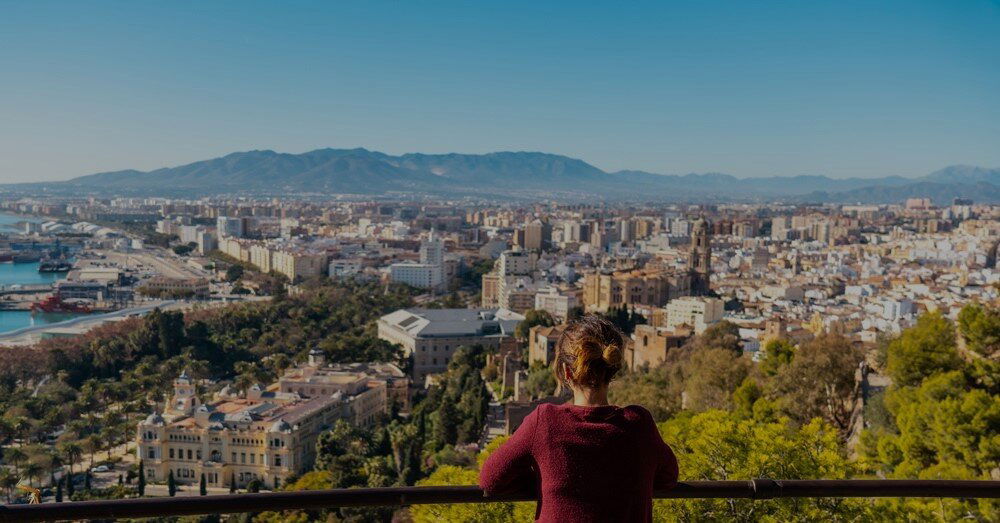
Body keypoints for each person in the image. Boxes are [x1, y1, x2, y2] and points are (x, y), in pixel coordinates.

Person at [479, 314, 679, 522]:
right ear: (613, 368)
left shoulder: (546, 421)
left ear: (566, 372)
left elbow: (490, 480)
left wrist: (547, 481)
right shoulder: (639, 424)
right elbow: (668, 478)